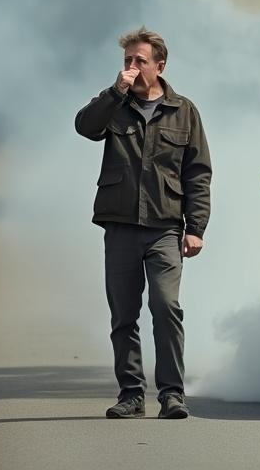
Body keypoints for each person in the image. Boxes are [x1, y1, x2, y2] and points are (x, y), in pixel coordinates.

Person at [75, 27, 211, 420]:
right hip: (120, 225)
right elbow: (85, 127)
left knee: (166, 306)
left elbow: (198, 173)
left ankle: (172, 394)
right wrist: (115, 91)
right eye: (127, 61)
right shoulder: (113, 105)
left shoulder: (184, 111)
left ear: (160, 66)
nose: (132, 68)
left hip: (165, 227)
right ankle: (132, 395)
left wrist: (196, 227)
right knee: (124, 314)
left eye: (140, 61)